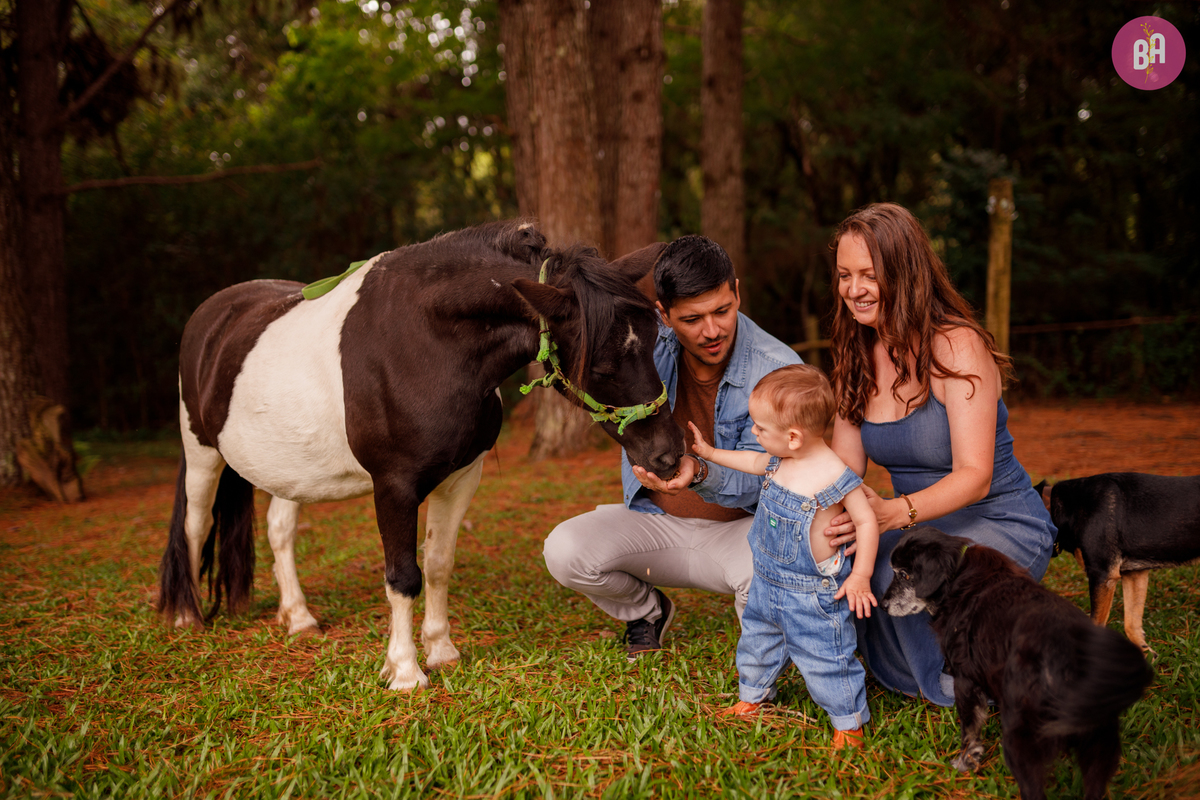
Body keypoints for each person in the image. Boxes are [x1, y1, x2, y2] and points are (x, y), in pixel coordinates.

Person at [824, 202, 1057, 707]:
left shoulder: (956, 346)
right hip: (915, 531)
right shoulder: (853, 357)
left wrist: (891, 514)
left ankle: (973, 682)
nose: (854, 289)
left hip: (997, 519)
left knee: (910, 571)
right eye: (845, 275)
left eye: (869, 274)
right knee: (851, 560)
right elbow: (843, 470)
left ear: (905, 274)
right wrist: (827, 516)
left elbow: (975, 476)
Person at [542, 235, 802, 659]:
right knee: (565, 550)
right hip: (655, 523)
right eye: (692, 319)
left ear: (737, 291)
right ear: (663, 314)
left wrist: (699, 473)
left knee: (774, 574)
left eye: (722, 310)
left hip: (744, 533)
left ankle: (761, 659)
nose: (712, 331)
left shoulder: (781, 370)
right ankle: (647, 611)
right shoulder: (641, 347)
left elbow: (776, 478)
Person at [688, 364, 879, 748]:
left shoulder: (834, 476)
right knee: (757, 641)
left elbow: (868, 522)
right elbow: (754, 463)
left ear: (793, 437)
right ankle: (753, 695)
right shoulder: (781, 460)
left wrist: (860, 575)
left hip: (813, 594)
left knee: (827, 657)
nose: (754, 433)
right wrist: (710, 453)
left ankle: (848, 722)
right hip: (767, 580)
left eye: (760, 428)